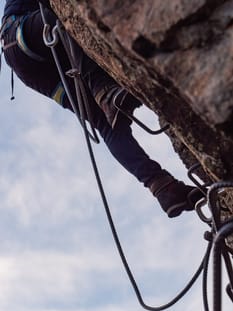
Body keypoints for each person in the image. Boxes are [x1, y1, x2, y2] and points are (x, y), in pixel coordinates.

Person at [0, 0, 204, 218]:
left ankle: (162, 187)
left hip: (32, 65)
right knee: (58, 22)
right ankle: (102, 90)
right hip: (20, 34)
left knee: (106, 124)